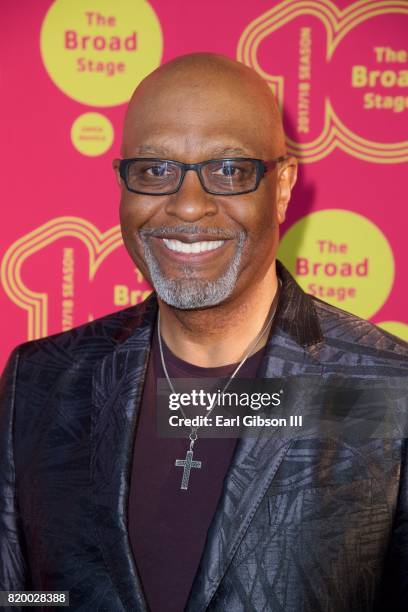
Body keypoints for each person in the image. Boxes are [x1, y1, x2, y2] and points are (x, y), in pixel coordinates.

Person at [0, 53, 407, 612]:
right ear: (122, 184)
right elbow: (23, 597)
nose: (189, 206)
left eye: (230, 170)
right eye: (155, 170)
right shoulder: (41, 382)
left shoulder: (389, 391)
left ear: (283, 186)